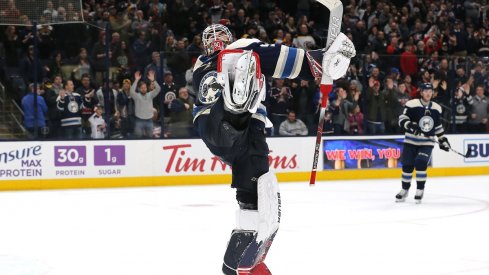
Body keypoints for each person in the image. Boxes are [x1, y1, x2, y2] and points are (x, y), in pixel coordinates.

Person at [192, 24, 355, 274]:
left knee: (255, 195)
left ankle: (237, 264)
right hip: (231, 124)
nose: (216, 40)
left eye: (220, 36)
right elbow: (279, 57)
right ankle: (236, 104)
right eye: (212, 37)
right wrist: (319, 59)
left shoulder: (199, 65)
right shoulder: (238, 48)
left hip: (228, 139)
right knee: (248, 59)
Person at [396, 83, 451, 204]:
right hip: (411, 141)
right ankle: (404, 189)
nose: (428, 93)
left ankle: (420, 189)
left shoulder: (436, 108)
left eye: (430, 91)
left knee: (421, 163)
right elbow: (402, 119)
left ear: (432, 93)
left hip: (427, 142)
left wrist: (442, 139)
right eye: (425, 91)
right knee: (407, 166)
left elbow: (437, 125)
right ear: (421, 92)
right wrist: (410, 125)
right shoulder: (412, 104)